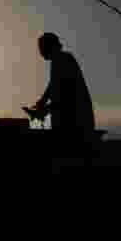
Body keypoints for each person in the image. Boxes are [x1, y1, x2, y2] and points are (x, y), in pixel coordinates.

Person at [27, 33, 96, 164]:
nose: (40, 51)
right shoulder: (59, 60)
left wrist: (44, 109)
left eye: (41, 47)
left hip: (75, 124)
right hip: (72, 121)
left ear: (49, 46)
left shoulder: (63, 60)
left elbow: (65, 96)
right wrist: (42, 101)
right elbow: (53, 85)